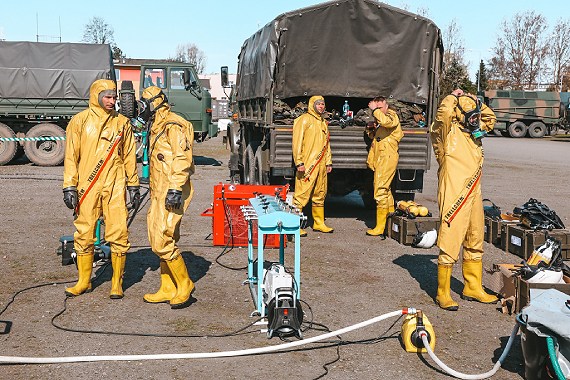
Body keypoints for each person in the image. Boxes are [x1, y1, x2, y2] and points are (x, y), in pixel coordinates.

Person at [62, 79, 140, 299]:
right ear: (96, 95)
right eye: (107, 96)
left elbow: (129, 157)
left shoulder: (122, 123)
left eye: (114, 97)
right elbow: (71, 157)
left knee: (118, 232)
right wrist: (69, 185)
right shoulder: (79, 121)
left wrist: (133, 184)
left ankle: (116, 283)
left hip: (115, 184)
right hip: (87, 185)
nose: (112, 101)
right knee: (84, 231)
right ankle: (84, 281)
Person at [430, 88, 498, 311]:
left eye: (475, 114)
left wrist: (474, 101)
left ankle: (472, 286)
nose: (475, 119)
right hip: (454, 195)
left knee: (475, 237)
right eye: (470, 114)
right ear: (458, 114)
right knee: (451, 240)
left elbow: (491, 118)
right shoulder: (446, 134)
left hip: (474, 192)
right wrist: (453, 97)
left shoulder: (474, 132)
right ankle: (443, 292)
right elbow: (441, 118)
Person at [139, 86, 195, 309]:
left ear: (156, 103)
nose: (141, 108)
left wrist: (175, 188)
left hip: (173, 189)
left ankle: (184, 283)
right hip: (159, 190)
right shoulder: (156, 126)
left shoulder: (174, 124)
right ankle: (167, 287)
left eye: (144, 102)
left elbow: (182, 158)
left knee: (163, 238)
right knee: (158, 236)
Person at [292, 95, 333, 237]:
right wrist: (299, 162)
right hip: (308, 165)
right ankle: (294, 224)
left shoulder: (323, 122)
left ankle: (319, 222)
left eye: (322, 104)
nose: (321, 106)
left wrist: (328, 161)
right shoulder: (303, 120)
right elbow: (297, 143)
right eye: (318, 104)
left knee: (320, 193)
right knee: (301, 195)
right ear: (312, 105)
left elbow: (327, 145)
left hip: (321, 165)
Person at [365, 96, 403, 237]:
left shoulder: (391, 116)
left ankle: (380, 227)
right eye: (377, 107)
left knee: (380, 190)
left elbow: (387, 123)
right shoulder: (383, 118)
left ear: (387, 106)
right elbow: (379, 137)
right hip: (382, 157)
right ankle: (389, 223)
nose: (379, 110)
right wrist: (371, 130)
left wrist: (375, 110)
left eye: (381, 107)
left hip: (387, 158)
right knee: (385, 191)